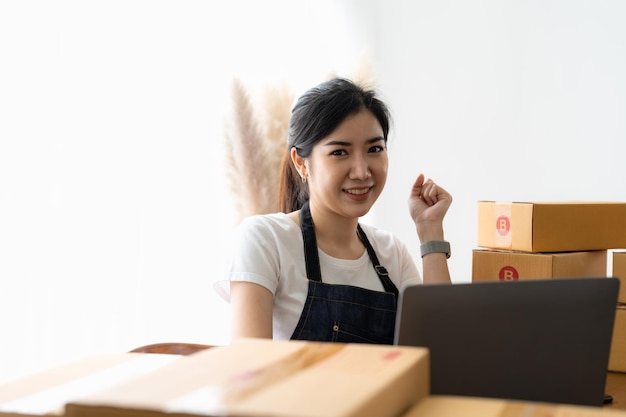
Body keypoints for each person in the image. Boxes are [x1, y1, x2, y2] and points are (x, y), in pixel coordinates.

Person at [216, 77, 452, 345]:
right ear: (301, 163)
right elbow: (249, 367)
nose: (362, 171)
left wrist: (430, 229)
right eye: (340, 152)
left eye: (374, 149)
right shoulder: (265, 240)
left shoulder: (391, 254)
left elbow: (440, 351)